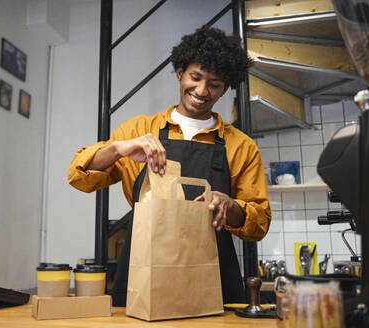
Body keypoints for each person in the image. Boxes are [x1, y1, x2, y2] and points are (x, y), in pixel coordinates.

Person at [68, 27, 271, 306]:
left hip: (211, 276)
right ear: (179, 72)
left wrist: (230, 206)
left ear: (225, 88)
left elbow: (259, 223)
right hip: (145, 271)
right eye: (195, 77)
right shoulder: (140, 129)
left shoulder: (241, 146)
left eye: (214, 84)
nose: (201, 91)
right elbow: (78, 177)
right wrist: (117, 149)